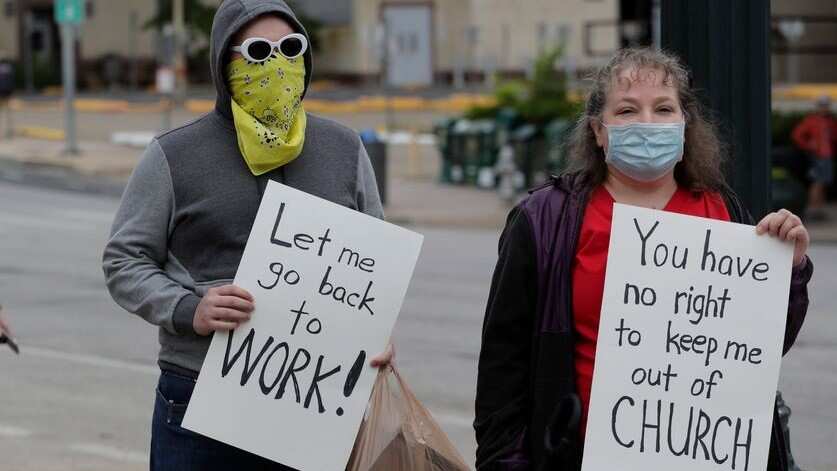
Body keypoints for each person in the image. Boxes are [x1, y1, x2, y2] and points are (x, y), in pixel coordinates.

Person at [475, 48, 813, 471]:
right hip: (579, 457)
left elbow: (758, 348)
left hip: (702, 454)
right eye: (628, 110)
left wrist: (791, 270)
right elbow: (502, 368)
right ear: (599, 130)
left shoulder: (722, 210)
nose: (648, 123)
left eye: (664, 108)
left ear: (685, 125)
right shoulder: (543, 219)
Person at [103, 1, 391, 469]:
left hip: (311, 401)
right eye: (258, 51)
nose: (276, 63)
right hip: (197, 394)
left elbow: (375, 266)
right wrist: (188, 309)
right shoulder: (173, 155)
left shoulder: (344, 149)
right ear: (224, 62)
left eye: (290, 48)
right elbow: (124, 260)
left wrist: (378, 330)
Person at [792, 95, 837, 221]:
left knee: (822, 182)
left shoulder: (829, 121)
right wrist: (809, 146)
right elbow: (797, 135)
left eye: (826, 106)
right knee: (817, 182)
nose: (824, 108)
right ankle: (813, 208)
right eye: (822, 106)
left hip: (827, 156)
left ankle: (819, 208)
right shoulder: (812, 120)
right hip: (818, 156)